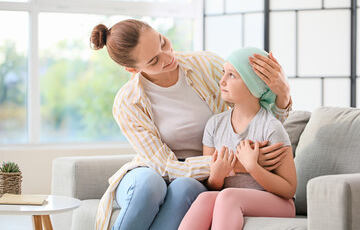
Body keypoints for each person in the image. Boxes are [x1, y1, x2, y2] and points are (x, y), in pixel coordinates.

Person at [89, 19, 292, 230]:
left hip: (203, 175)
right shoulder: (127, 102)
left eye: (163, 42)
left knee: (185, 187)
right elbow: (165, 167)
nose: (168, 57)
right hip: (152, 171)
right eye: (153, 60)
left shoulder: (207, 65)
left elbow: (256, 120)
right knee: (149, 185)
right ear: (132, 69)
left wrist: (282, 94)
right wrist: (232, 163)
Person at [178, 47, 297, 230]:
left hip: (280, 203)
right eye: (223, 73)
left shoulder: (271, 127)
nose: (222, 81)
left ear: (254, 84)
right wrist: (217, 175)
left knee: (228, 197)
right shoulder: (214, 125)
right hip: (234, 198)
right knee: (204, 198)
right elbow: (212, 186)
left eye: (232, 75)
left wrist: (252, 167)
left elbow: (289, 189)